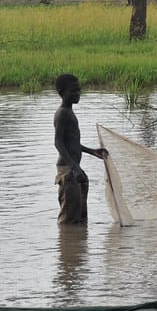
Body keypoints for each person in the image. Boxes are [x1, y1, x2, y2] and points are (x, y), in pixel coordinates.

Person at [54, 73, 107, 225]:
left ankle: (78, 240)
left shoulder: (69, 112)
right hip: (68, 170)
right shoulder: (62, 113)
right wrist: (74, 167)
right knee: (69, 219)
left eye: (79, 90)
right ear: (62, 93)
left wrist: (92, 151)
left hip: (74, 169)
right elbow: (58, 143)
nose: (78, 93)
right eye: (73, 91)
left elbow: (72, 143)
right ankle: (66, 239)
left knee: (81, 216)